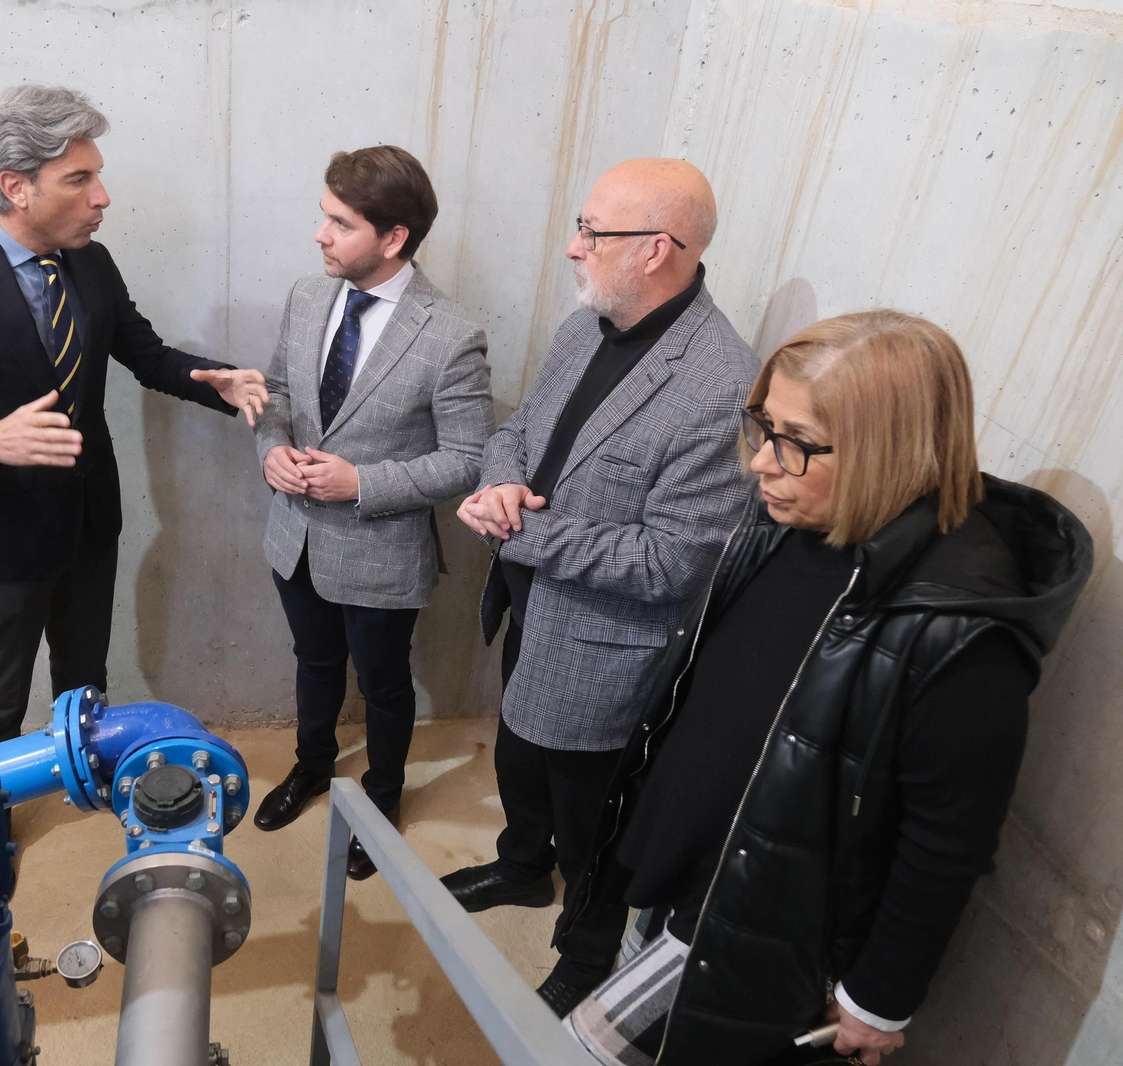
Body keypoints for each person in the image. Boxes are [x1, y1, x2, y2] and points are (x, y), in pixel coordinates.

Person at [558, 311, 1092, 1066]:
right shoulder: (794, 518)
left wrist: (877, 998)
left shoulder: (962, 632)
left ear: (888, 450)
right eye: (762, 426)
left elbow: (947, 842)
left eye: (797, 442)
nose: (760, 464)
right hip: (684, 864)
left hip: (754, 915)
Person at [440, 158, 758, 1012]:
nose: (572, 248)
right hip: (529, 607)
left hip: (604, 653)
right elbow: (521, 429)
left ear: (657, 249)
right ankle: (518, 866)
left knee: (594, 829)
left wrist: (520, 527)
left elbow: (670, 562)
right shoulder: (589, 325)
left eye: (591, 232)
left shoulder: (720, 386)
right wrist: (499, 482)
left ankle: (586, 956)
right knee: (517, 758)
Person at [0, 84, 268, 741]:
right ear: (16, 186)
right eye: (79, 179)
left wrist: (219, 382)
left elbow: (147, 356)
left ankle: (81, 779)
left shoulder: (90, 264)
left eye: (98, 177)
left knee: (85, 687)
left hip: (89, 524)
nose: (102, 197)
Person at [250, 146, 495, 880]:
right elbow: (279, 395)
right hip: (294, 537)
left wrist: (361, 483)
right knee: (314, 663)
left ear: (393, 238)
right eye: (323, 217)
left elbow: (469, 459)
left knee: (384, 685)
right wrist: (270, 448)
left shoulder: (451, 335)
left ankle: (383, 801)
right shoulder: (305, 296)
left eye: (339, 223)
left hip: (382, 550)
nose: (320, 234)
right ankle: (312, 768)